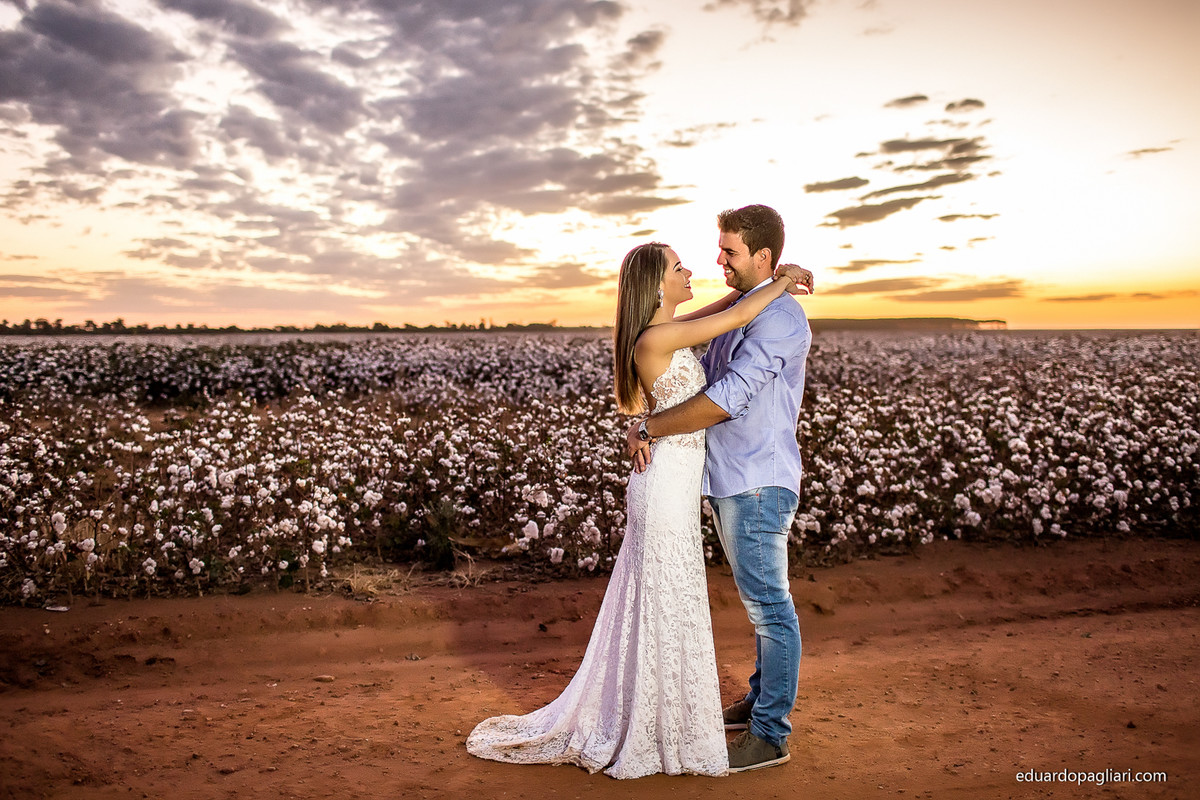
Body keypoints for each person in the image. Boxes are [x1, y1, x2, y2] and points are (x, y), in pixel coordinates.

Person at [466, 241, 812, 779]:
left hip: (678, 479)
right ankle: (662, 720)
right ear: (655, 286)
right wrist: (785, 278)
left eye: (722, 253)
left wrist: (774, 281)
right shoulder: (658, 337)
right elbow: (739, 311)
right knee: (667, 595)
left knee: (668, 595)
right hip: (668, 482)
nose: (697, 268)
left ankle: (671, 715)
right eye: (680, 267)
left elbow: (725, 310)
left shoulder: (664, 330)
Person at [625, 205, 811, 773]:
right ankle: (759, 702)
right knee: (760, 604)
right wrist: (777, 279)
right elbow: (721, 315)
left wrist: (649, 426)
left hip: (757, 479)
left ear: (761, 255)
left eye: (729, 251)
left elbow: (731, 396)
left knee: (768, 607)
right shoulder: (742, 309)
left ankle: (770, 733)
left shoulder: (779, 319)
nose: (716, 261)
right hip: (726, 478)